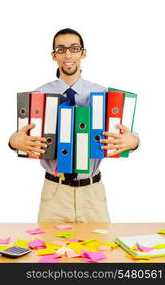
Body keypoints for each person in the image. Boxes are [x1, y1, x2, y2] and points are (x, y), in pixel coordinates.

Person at [9, 28, 139, 223]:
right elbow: (20, 136)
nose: (68, 55)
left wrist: (133, 141)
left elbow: (131, 136)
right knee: (48, 251)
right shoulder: (38, 97)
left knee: (100, 249)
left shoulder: (104, 95)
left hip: (92, 193)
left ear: (83, 53)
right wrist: (12, 142)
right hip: (54, 193)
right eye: (61, 49)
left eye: (74, 48)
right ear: (54, 56)